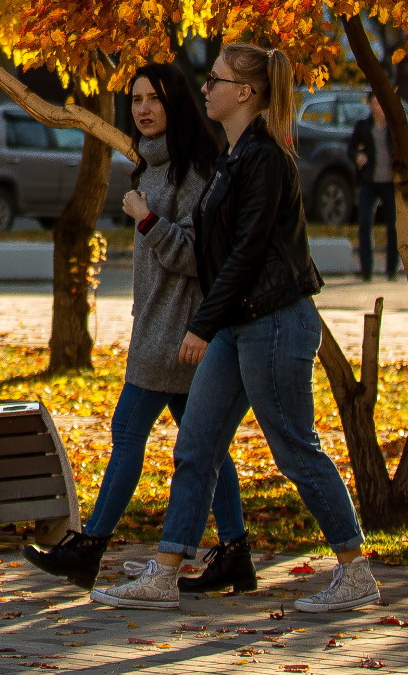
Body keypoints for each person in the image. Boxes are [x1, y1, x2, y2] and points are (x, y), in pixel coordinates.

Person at [94, 42, 378, 616]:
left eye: (217, 80)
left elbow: (246, 254)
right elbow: (212, 252)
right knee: (196, 447)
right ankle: (165, 573)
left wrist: (201, 324)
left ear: (244, 93)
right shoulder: (234, 156)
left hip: (275, 323)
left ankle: (356, 571)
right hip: (239, 324)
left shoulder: (266, 159)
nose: (205, 89)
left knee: (296, 450)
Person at [24, 58, 250, 595]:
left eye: (153, 99)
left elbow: (199, 256)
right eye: (136, 99)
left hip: (177, 336)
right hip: (161, 330)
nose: (143, 109)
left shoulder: (195, 172)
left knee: (129, 433)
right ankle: (235, 552)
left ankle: (89, 547)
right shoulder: (151, 166)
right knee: (207, 447)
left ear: (176, 105)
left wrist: (146, 220)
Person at [346, 105, 398, 282]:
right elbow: (351, 149)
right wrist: (357, 157)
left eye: (380, 102)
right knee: (365, 223)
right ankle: (366, 270)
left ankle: (391, 270)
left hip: (391, 182)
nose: (379, 107)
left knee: (393, 225)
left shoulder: (395, 124)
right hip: (369, 180)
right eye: (374, 102)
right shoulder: (363, 126)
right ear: (370, 105)